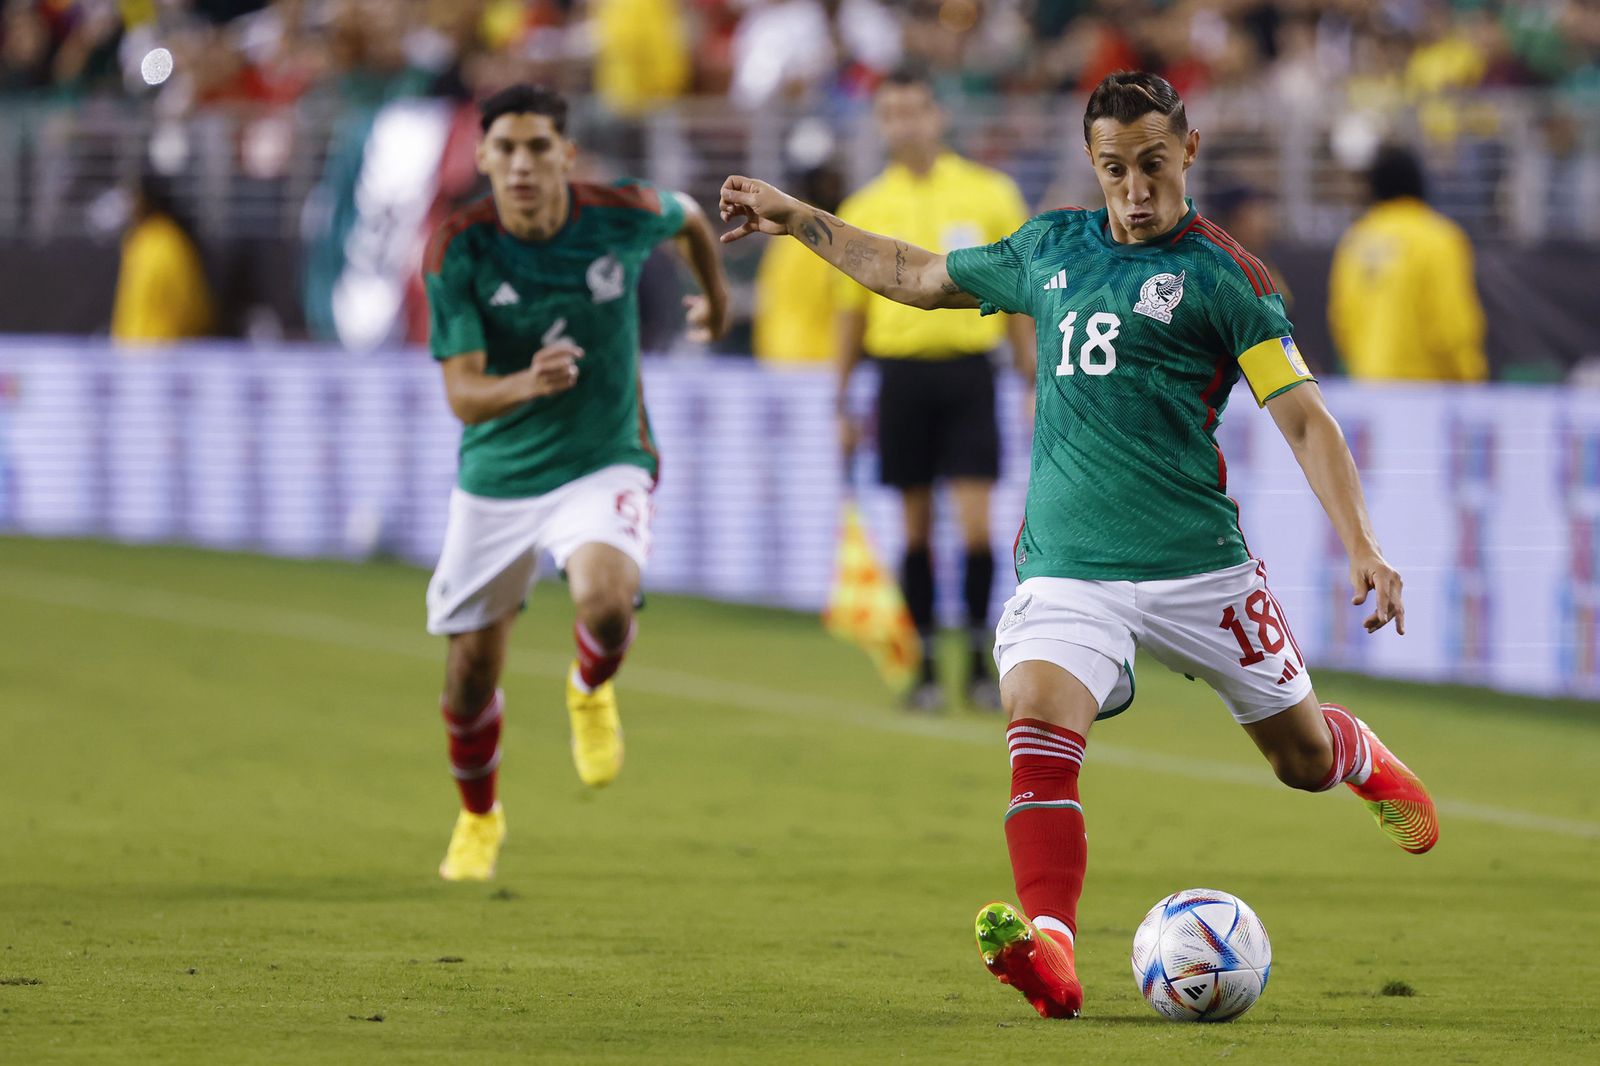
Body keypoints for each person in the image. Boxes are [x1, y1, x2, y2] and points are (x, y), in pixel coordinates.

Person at [719, 70, 1436, 1019]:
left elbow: (1305, 421)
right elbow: (914, 273)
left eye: (1151, 165)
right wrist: (797, 217)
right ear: (1091, 166)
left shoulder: (1230, 279)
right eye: (1113, 169)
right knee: (1036, 723)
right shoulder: (1049, 247)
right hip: (1069, 568)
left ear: (1188, 149)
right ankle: (1051, 950)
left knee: (1299, 762)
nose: (1135, 189)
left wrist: (1365, 544)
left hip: (1199, 569)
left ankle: (1359, 754)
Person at [423, 84, 730, 882]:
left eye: (537, 148)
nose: (521, 164)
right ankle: (478, 816)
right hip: (499, 476)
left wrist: (715, 301)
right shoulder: (459, 248)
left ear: (566, 154)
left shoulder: (620, 211)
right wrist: (525, 383)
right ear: (483, 158)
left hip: (603, 455)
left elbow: (691, 216)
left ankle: (589, 687)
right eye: (506, 150)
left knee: (606, 598)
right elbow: (461, 394)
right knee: (467, 678)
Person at [834, 66, 1036, 713]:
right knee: (915, 528)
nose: (905, 124)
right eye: (891, 113)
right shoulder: (864, 209)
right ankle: (921, 665)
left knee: (978, 527)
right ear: (882, 123)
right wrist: (840, 401)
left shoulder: (989, 193)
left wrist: (1034, 379)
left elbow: (1022, 297)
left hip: (970, 373)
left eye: (915, 110)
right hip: (901, 375)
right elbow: (849, 314)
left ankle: (977, 662)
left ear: (937, 115)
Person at [1328, 144, 1487, 381]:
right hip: (1428, 392)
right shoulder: (1438, 238)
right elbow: (1451, 324)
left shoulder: (1355, 241)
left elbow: (1342, 321)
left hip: (1368, 390)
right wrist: (1470, 377)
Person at [110, 174, 214, 346]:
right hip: (134, 347)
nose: (131, 206)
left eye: (135, 197)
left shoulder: (166, 242)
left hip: (161, 349)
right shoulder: (140, 239)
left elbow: (187, 301)